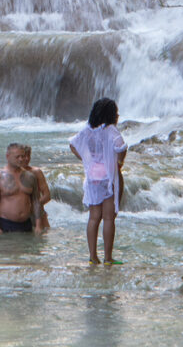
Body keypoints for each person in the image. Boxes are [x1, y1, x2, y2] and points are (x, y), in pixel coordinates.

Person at [69, 97, 127, 265]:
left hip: (93, 176)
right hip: (108, 176)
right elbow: (122, 147)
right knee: (109, 218)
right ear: (111, 115)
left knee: (94, 217)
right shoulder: (111, 130)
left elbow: (73, 144)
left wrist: (86, 160)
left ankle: (93, 257)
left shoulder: (88, 130)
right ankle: (108, 258)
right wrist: (120, 162)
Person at [0, 143, 43, 233]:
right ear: (8, 156)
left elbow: (36, 201)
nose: (21, 159)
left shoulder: (30, 177)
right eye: (17, 157)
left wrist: (38, 225)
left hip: (26, 223)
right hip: (5, 224)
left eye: (22, 156)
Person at [20, 144, 51, 230]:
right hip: (20, 215)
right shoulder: (12, 173)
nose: (27, 159)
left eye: (28, 156)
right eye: (24, 156)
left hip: (37, 213)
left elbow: (47, 196)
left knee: (42, 238)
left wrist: (34, 206)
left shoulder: (36, 172)